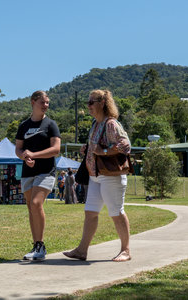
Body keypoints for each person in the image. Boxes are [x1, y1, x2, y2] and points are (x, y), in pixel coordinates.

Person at [63, 89, 132, 262]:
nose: (88, 106)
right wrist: (88, 150)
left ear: (102, 103)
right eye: (88, 103)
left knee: (116, 212)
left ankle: (126, 250)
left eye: (91, 102)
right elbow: (96, 147)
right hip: (95, 176)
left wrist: (104, 151)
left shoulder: (111, 124)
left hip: (111, 176)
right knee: (90, 212)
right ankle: (81, 250)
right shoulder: (95, 124)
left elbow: (126, 146)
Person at [15, 90, 61, 261]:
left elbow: (56, 149)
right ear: (33, 102)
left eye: (47, 102)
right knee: (31, 207)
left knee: (36, 203)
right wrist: (24, 156)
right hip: (28, 172)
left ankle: (41, 246)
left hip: (46, 171)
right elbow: (18, 149)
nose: (46, 105)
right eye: (43, 102)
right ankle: (36, 246)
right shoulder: (23, 126)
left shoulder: (50, 124)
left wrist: (34, 155)